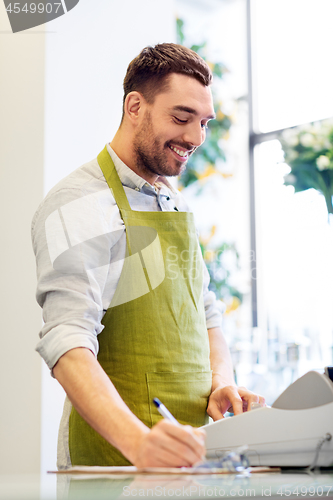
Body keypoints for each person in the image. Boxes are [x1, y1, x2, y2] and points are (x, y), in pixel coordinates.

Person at [32, 43, 265, 470]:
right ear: (135, 106)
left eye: (204, 123)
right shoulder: (77, 202)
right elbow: (67, 341)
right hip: (116, 462)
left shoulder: (175, 202)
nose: (195, 138)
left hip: (191, 457)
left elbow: (207, 315)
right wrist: (139, 444)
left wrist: (221, 381)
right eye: (181, 118)